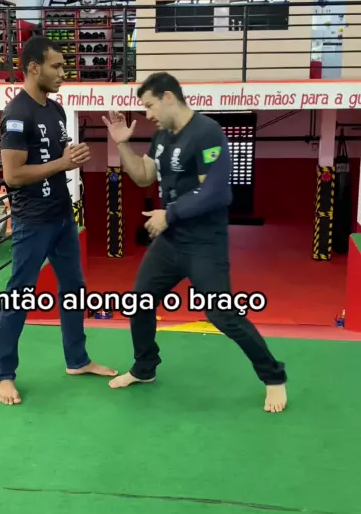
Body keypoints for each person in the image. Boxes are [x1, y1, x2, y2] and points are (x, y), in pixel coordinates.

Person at [102, 72, 287, 414]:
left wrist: (169, 214)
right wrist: (122, 144)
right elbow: (143, 176)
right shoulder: (161, 137)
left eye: (150, 106)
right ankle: (144, 368)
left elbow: (216, 192)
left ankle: (274, 376)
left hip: (204, 242)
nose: (147, 114)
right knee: (139, 302)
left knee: (222, 315)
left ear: (169, 97)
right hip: (170, 241)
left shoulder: (207, 132)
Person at [0, 35, 117, 405]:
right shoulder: (17, 115)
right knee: (19, 294)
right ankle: (4, 375)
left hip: (62, 215)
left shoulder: (56, 109)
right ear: (34, 68)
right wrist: (63, 163)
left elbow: (56, 153)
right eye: (57, 66)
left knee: (73, 288)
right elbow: (13, 175)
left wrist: (71, 154)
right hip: (33, 221)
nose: (64, 72)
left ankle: (77, 360)